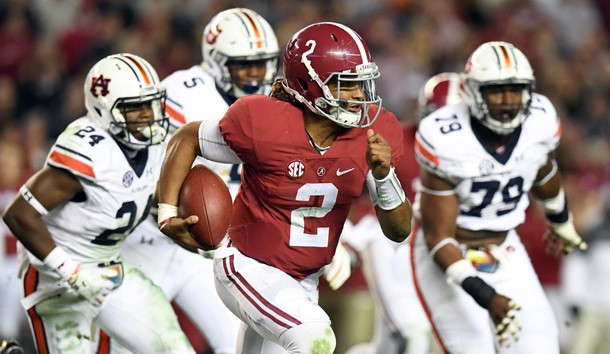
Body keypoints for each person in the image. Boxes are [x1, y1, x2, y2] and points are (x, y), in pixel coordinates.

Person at [157, 22, 412, 353]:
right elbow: (187, 137)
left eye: (362, 85)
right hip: (248, 266)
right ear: (309, 84)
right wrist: (167, 211)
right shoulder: (263, 123)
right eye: (345, 85)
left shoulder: (374, 134)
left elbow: (399, 230)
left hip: (304, 282)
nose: (359, 96)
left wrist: (383, 176)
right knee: (316, 339)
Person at [103, 8, 281, 354]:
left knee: (242, 344)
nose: (256, 74)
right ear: (216, 61)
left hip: (209, 250)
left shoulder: (277, 101)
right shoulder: (180, 94)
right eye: (245, 64)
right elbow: (138, 164)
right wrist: (164, 205)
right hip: (149, 240)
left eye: (262, 63)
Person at [2, 53, 195, 354]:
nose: (148, 114)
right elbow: (18, 215)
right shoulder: (90, 152)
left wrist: (173, 219)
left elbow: (137, 199)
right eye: (136, 108)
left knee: (173, 348)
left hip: (110, 270)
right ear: (105, 111)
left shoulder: (154, 146)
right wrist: (71, 271)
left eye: (151, 104)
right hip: (56, 282)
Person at [412, 41, 588, 354]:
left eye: (516, 90)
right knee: (474, 348)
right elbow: (439, 240)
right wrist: (487, 296)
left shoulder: (539, 122)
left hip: (504, 248)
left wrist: (560, 219)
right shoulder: (446, 138)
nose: (508, 101)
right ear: (473, 91)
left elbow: (543, 170)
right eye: (496, 91)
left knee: (540, 347)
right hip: (450, 254)